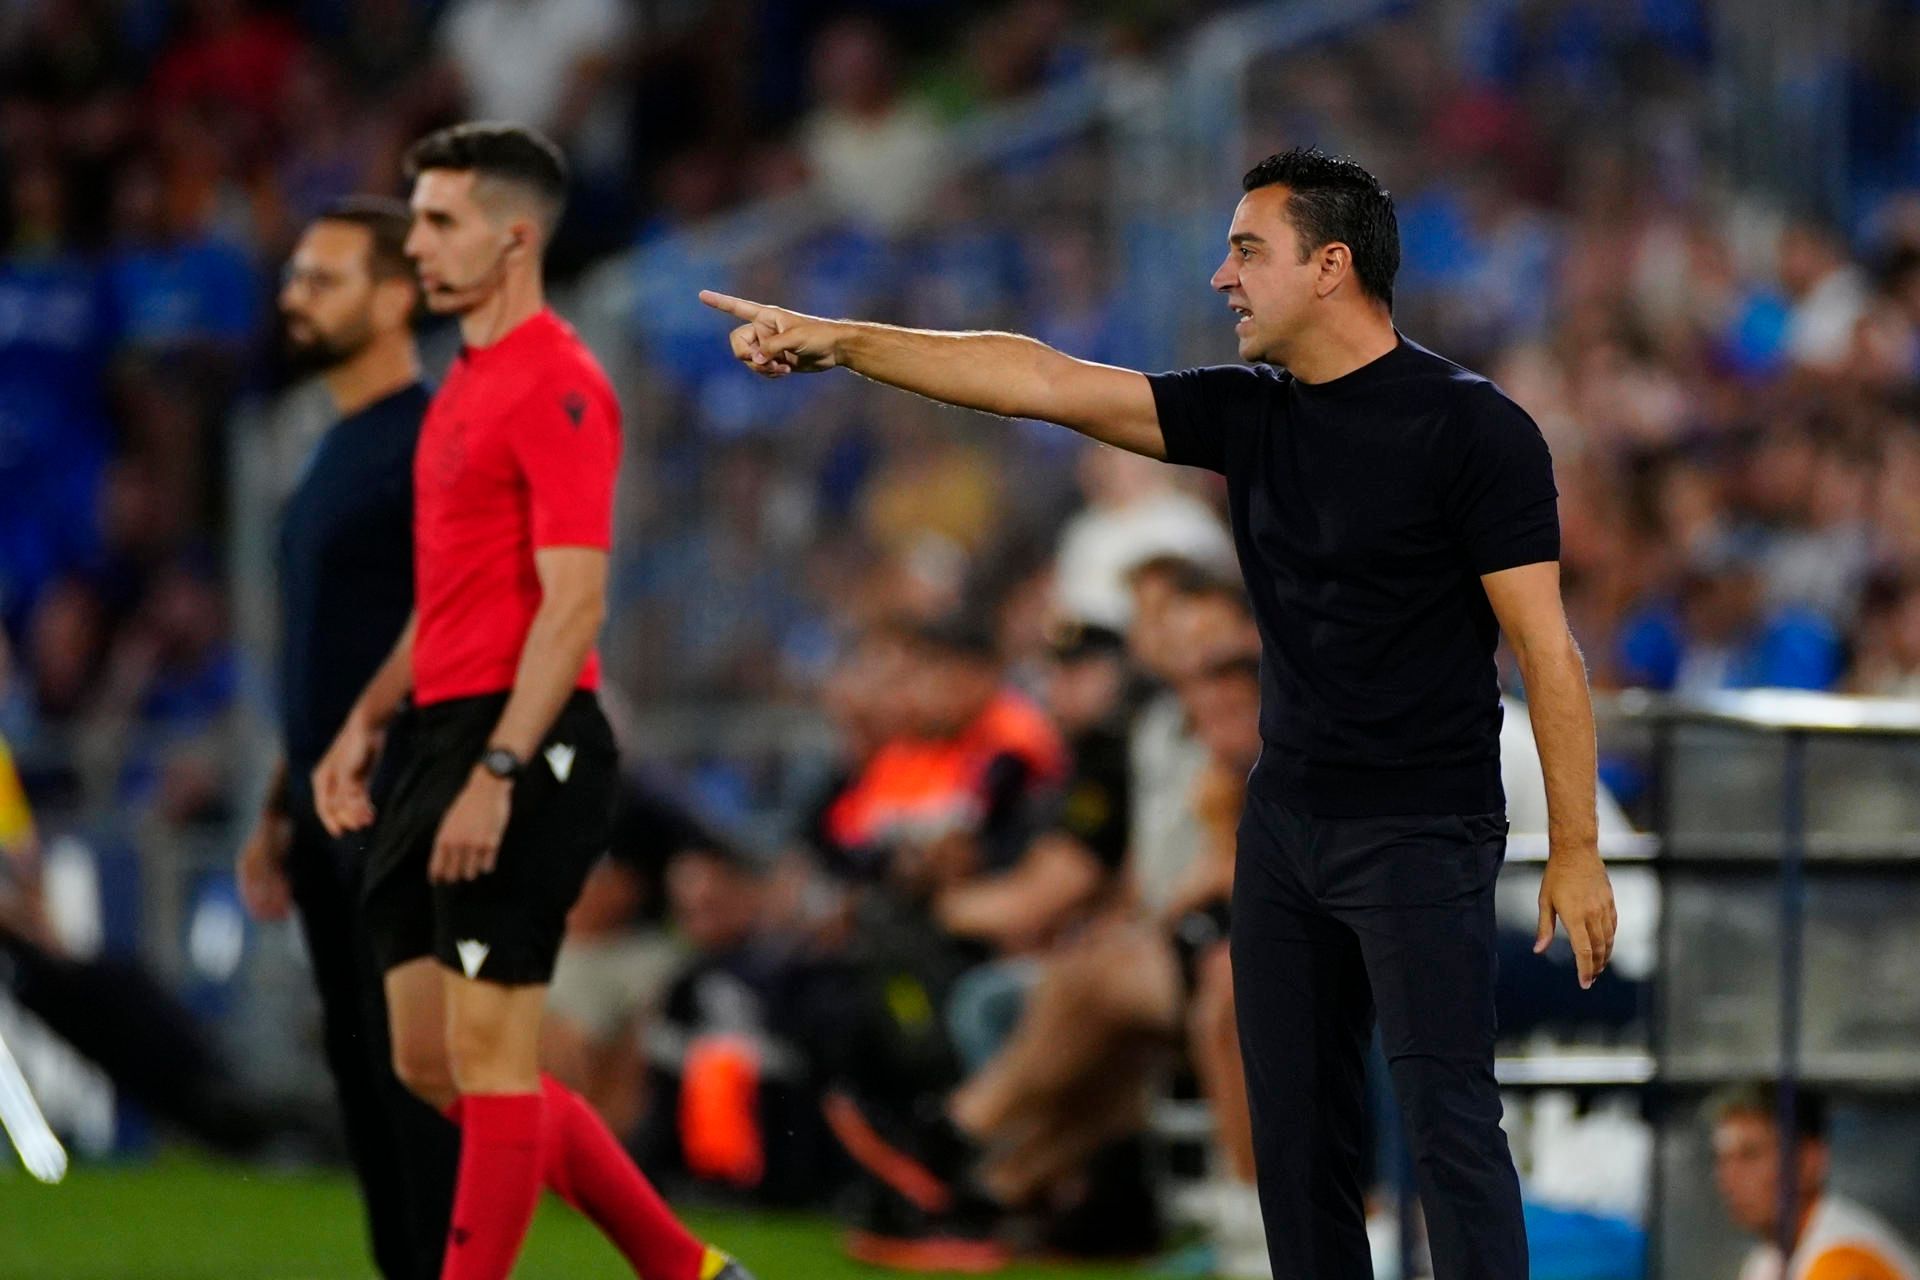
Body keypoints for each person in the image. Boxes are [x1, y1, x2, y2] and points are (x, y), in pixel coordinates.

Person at [701, 144, 1619, 1279]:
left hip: (1422, 824)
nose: (1222, 276)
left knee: (1449, 1124)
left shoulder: (1476, 428)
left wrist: (1574, 847)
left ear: (1331, 266)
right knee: (1295, 1145)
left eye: (1247, 249)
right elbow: (1037, 376)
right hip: (1284, 823)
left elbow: (1549, 650)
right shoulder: (1249, 414)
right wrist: (844, 342)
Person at [310, 122, 753, 1280]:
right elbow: (449, 594)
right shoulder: (461, 384)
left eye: (440, 220)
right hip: (440, 729)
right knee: (426, 1060)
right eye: (415, 219)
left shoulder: (559, 380)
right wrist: (366, 716)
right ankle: (685, 1267)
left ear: (515, 237)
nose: (416, 244)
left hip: (528, 736)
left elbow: (574, 606)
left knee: (495, 1061)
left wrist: (501, 772)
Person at [234, 197, 458, 1280]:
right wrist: (278, 799)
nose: (294, 297)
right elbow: (321, 647)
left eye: (322, 278)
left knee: (418, 1075)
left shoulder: (432, 435)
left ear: (397, 294)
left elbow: (455, 606)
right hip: (326, 804)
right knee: (367, 1077)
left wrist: (366, 737)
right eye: (292, 278)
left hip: (406, 789)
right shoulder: (329, 448)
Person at [1713, 1083, 1919, 1280]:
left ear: (1809, 1161)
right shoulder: (1767, 1260)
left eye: (1750, 1155)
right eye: (1722, 1159)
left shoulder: (1842, 1257)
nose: (1728, 1178)